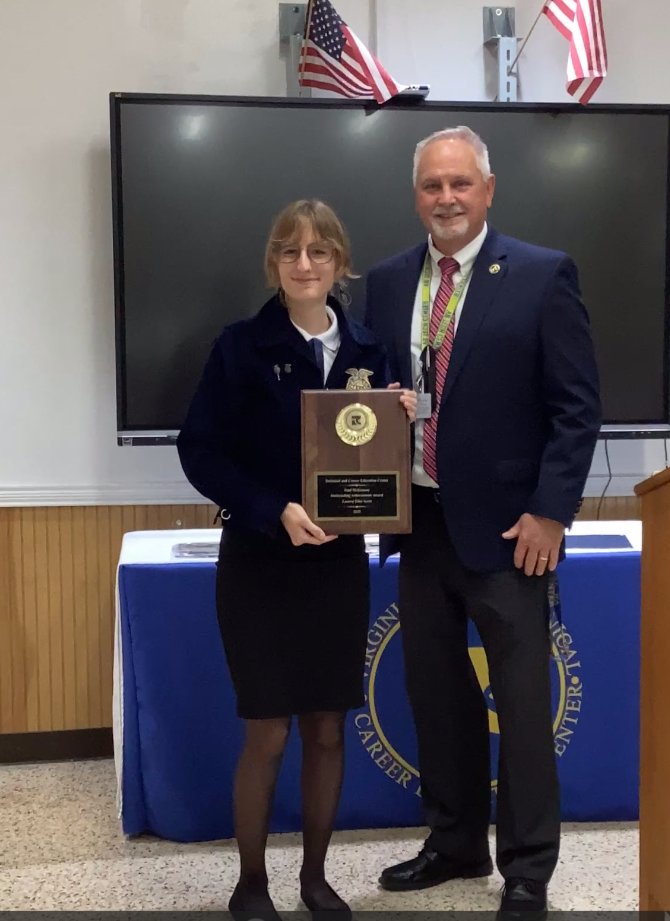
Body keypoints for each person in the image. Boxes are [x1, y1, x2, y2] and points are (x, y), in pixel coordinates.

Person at [364, 126, 601, 918]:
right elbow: (374, 401)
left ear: (488, 190)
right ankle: (454, 841)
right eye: (432, 185)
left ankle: (528, 866)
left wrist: (550, 512)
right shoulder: (392, 281)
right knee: (437, 696)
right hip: (420, 524)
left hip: (511, 532)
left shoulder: (539, 275)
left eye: (460, 183)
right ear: (417, 196)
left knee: (524, 706)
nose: (447, 198)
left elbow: (576, 409)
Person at [177, 199, 416, 920]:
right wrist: (271, 508)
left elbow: (383, 460)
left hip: (336, 569)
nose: (304, 265)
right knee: (269, 728)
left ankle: (315, 877)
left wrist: (406, 415)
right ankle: (251, 881)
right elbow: (200, 450)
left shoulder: (373, 352)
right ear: (273, 264)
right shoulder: (239, 346)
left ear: (340, 263)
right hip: (258, 562)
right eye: (290, 253)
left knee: (325, 726)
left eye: (318, 252)